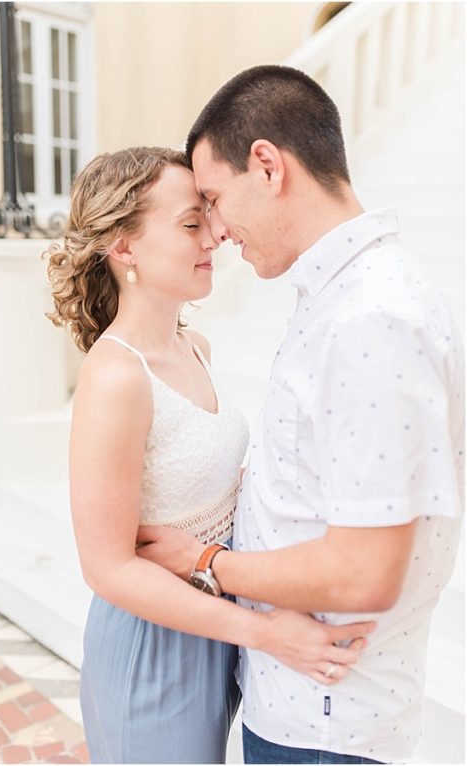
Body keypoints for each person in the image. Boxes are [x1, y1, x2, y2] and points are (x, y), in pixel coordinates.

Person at [136, 65, 464, 764]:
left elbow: (363, 573)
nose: (217, 231)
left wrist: (206, 562)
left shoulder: (370, 317)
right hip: (305, 701)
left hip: (324, 720)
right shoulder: (345, 297)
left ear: (268, 165)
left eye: (216, 201)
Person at [45, 146, 376, 764]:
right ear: (124, 247)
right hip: (154, 647)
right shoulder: (116, 377)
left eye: (210, 218)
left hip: (216, 628)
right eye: (190, 224)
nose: (216, 236)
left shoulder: (195, 346)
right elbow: (107, 567)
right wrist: (266, 632)